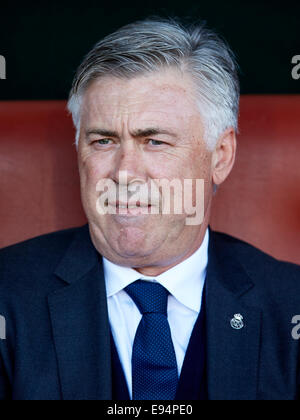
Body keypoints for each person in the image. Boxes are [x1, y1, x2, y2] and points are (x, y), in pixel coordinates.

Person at [0, 17, 300, 401]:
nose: (124, 173)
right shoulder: (7, 295)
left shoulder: (290, 306)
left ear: (220, 157)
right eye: (104, 141)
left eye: (154, 141)